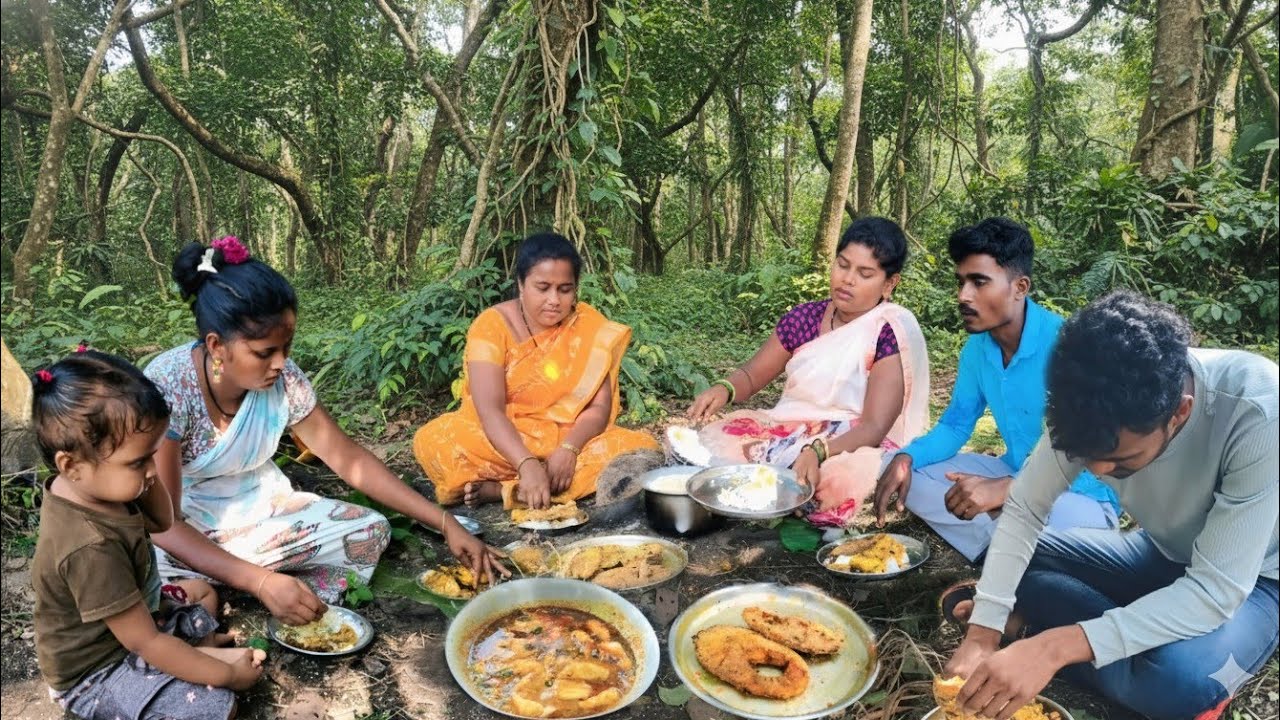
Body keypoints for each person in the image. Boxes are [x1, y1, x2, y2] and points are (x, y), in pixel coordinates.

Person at [943, 291, 1278, 720]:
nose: (1098, 468)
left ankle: (1037, 626)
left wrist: (1053, 647)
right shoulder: (1082, 397)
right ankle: (1050, 623)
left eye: (1122, 460)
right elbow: (1025, 510)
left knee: (1176, 684)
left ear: (1179, 412)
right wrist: (982, 634)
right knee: (1007, 550)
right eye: (1086, 455)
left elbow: (1216, 591)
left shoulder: (1259, 410)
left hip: (1257, 581)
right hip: (1160, 550)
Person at [147, 236, 505, 627]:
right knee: (149, 568)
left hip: (264, 516)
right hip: (186, 530)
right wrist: (262, 581)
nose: (281, 363)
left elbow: (348, 458)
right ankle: (251, 583)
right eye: (265, 352)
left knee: (368, 530)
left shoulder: (287, 381)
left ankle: (238, 583)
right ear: (217, 346)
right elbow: (164, 522)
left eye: (287, 347)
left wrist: (444, 522)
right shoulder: (169, 387)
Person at [31, 351, 265, 720]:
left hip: (139, 618)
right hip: (99, 670)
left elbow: (161, 521)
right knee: (220, 707)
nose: (153, 470)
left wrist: (142, 476)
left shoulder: (98, 484)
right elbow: (144, 642)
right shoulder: (89, 546)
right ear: (71, 465)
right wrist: (228, 674)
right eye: (139, 461)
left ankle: (192, 660)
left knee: (203, 593)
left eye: (152, 455)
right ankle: (189, 667)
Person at [873, 218, 1118, 561]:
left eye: (979, 282)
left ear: (1020, 287)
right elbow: (956, 425)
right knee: (902, 468)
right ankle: (998, 548)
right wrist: (906, 456)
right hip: (1014, 472)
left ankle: (1012, 544)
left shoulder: (1070, 346)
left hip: (1079, 497)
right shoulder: (977, 351)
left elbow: (1097, 457)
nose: (963, 296)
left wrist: (1007, 490)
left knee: (1068, 525)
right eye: (960, 283)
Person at [674, 217, 930, 515]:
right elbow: (753, 374)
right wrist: (725, 388)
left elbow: (874, 426)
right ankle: (783, 484)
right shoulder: (803, 318)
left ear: (889, 283)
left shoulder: (888, 331)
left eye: (865, 273)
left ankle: (793, 487)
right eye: (843, 265)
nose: (847, 279)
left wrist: (818, 451)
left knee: (837, 480)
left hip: (852, 441)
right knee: (711, 443)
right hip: (790, 428)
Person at [413, 233, 660, 509]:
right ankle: (534, 481)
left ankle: (506, 491)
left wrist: (569, 449)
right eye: (542, 288)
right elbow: (489, 410)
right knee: (435, 440)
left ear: (576, 288)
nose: (554, 300)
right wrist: (527, 462)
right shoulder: (491, 326)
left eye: (564, 289)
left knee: (641, 448)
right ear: (521, 285)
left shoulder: (588, 325)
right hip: (502, 440)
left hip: (564, 437)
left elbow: (599, 408)